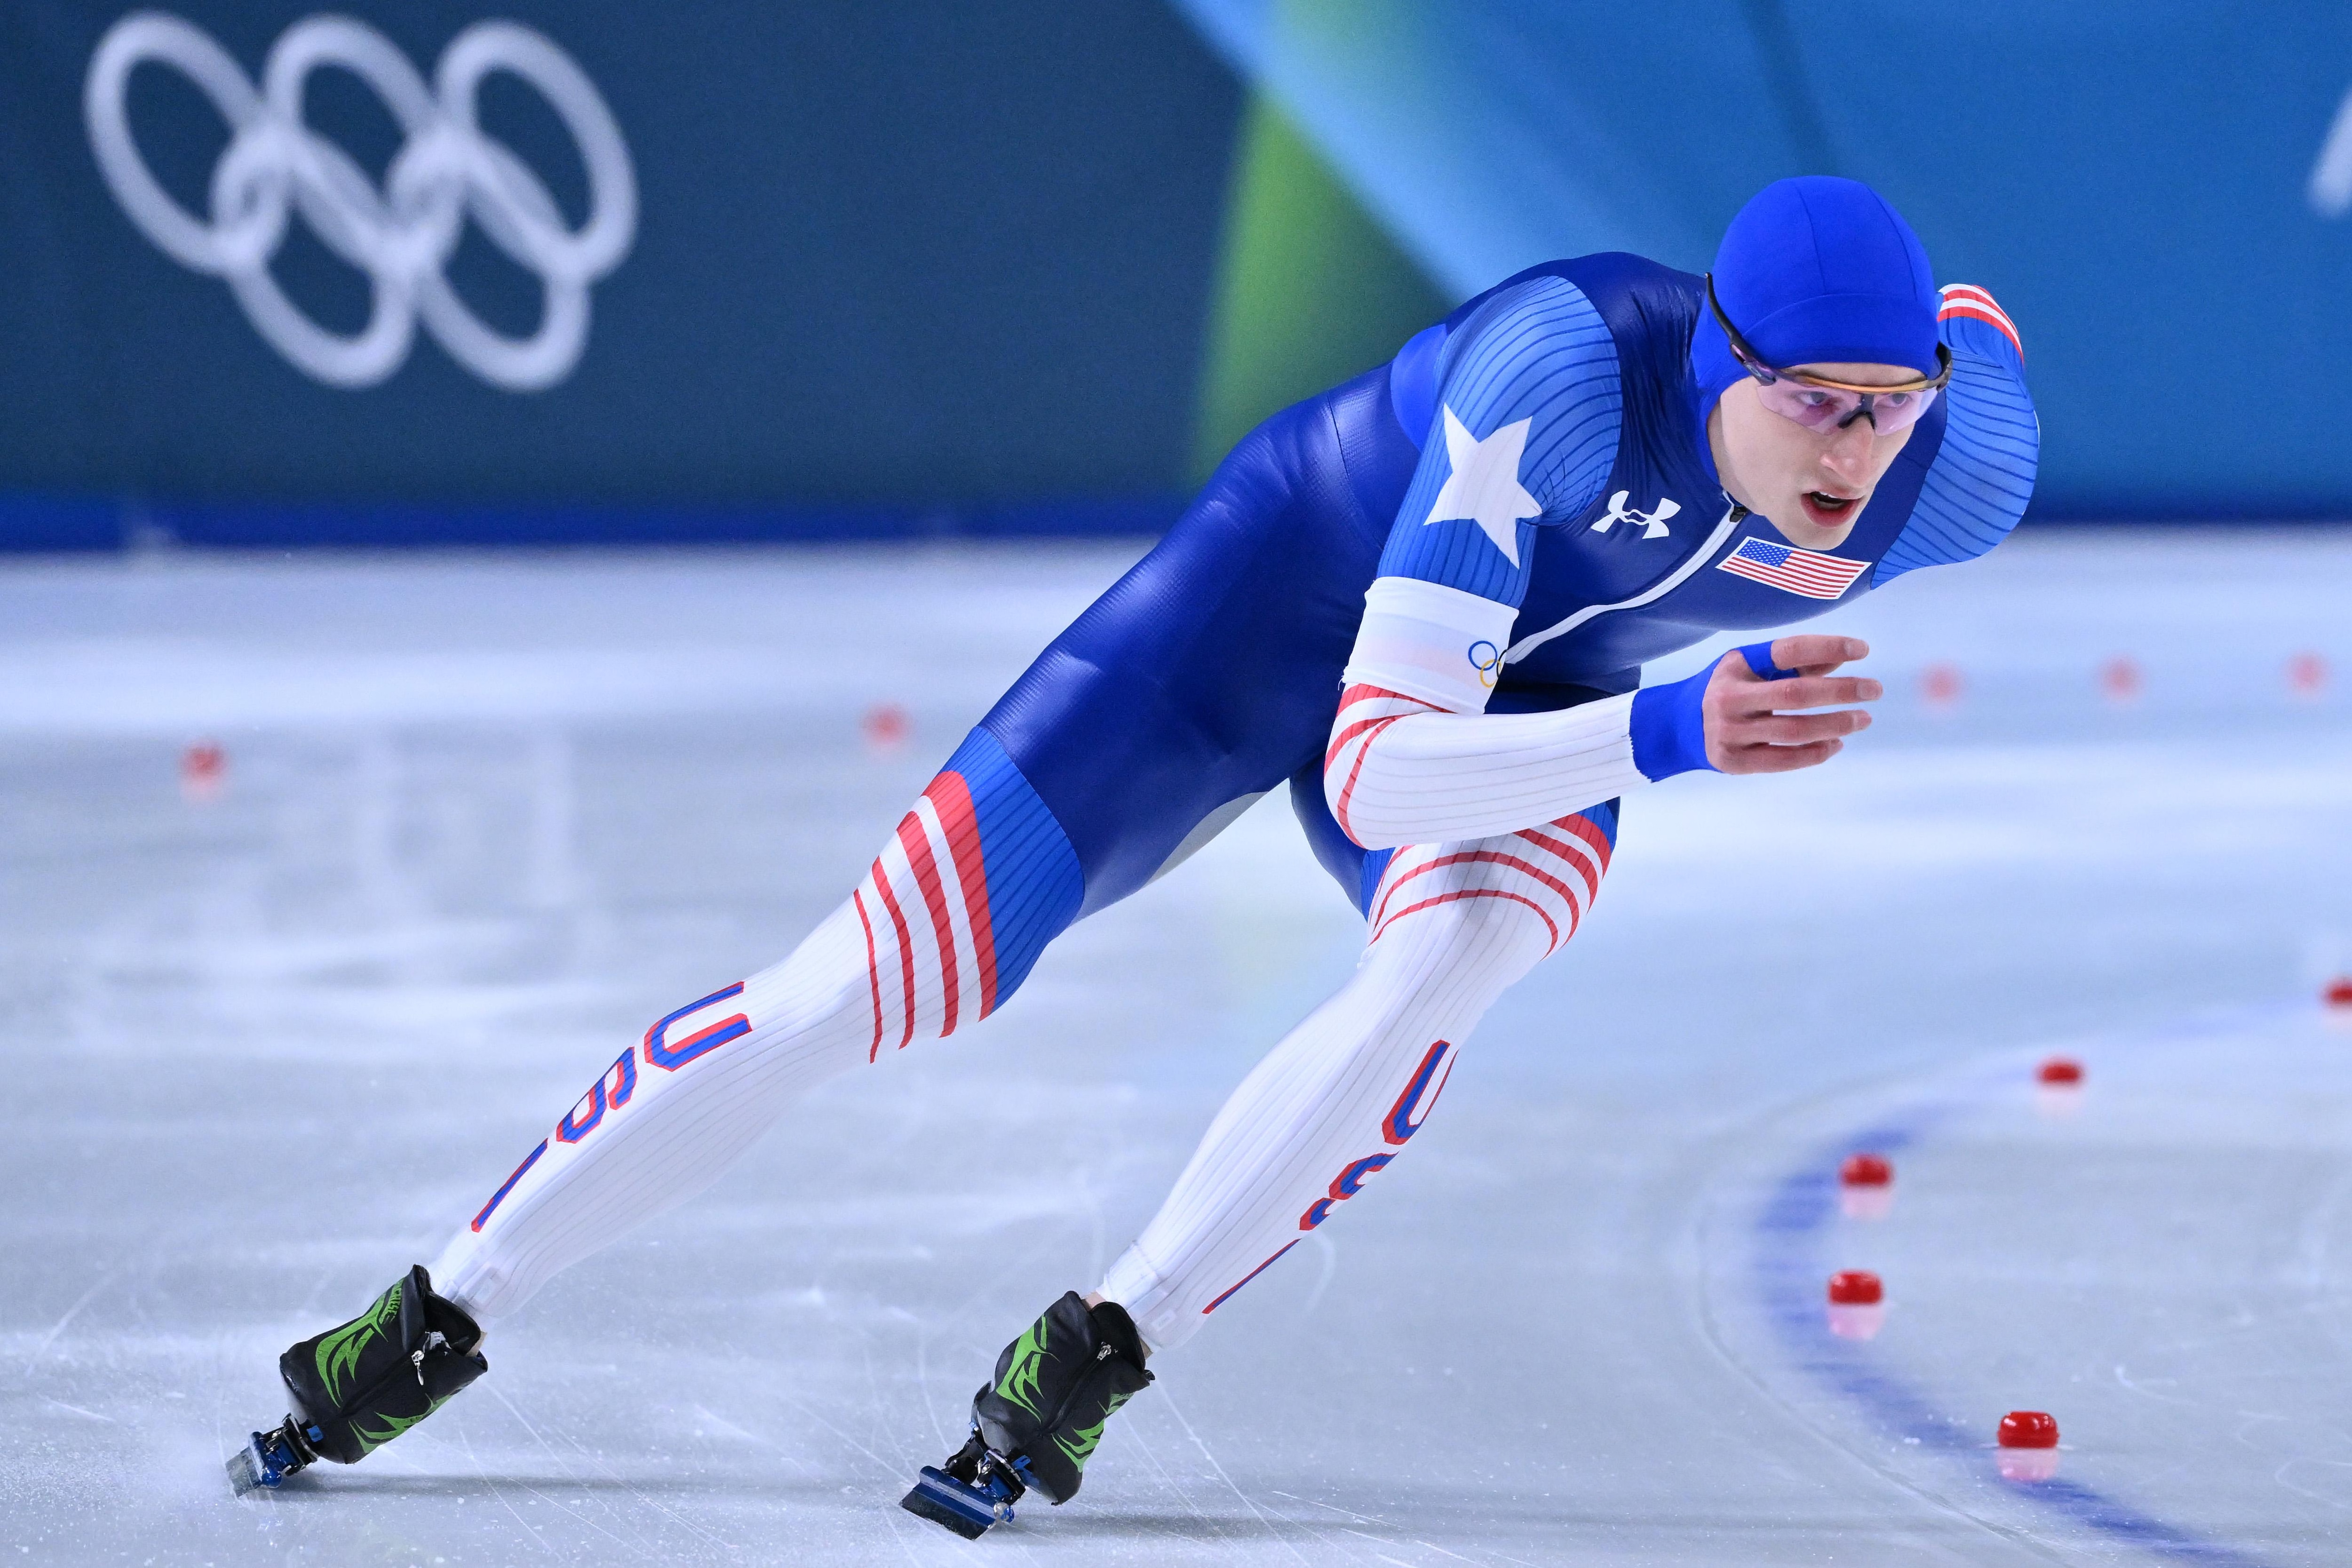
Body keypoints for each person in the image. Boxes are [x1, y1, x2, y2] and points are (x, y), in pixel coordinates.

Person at [229, 176, 2038, 1533]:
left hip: (1530, 690)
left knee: (1455, 962)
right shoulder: (1560, 370)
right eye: (1815, 400)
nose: (1857, 450)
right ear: (1722, 359)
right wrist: (1669, 734)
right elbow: (1386, 767)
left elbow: (1978, 324)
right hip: (1263, 622)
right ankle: (432, 1316)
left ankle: (1094, 1350)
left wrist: (1655, 698)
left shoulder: (1957, 467)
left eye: (1891, 403)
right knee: (858, 985)